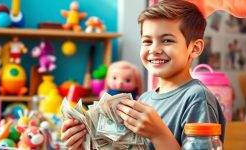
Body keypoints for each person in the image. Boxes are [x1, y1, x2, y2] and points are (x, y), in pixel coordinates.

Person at [60, 0, 226, 149]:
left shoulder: (197, 98)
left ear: (195, 48)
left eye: (167, 40)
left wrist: (159, 134)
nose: (154, 49)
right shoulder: (144, 99)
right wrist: (84, 144)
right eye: (147, 41)